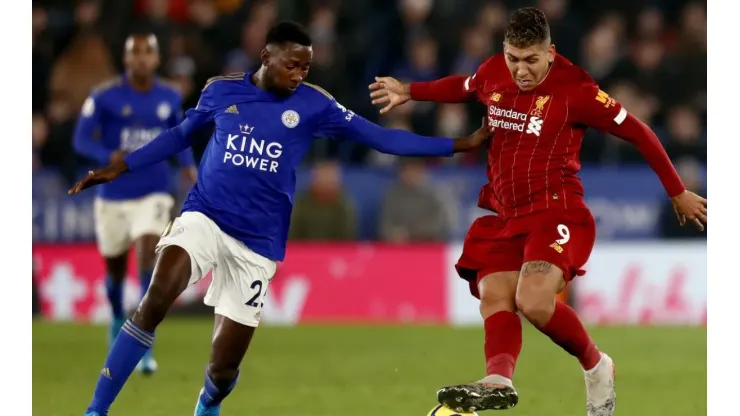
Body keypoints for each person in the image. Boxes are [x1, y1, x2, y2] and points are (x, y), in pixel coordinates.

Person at [69, 22, 490, 416]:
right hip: (205, 216)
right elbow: (180, 136)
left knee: (223, 369)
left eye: (306, 67)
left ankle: (208, 402)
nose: (299, 75)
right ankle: (96, 409)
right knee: (156, 296)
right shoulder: (221, 91)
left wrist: (459, 144)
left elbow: (382, 139)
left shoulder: (315, 104)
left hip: (257, 243)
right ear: (266, 56)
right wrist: (122, 167)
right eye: (292, 65)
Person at [369, 7, 707, 416]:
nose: (520, 70)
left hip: (557, 213)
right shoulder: (494, 71)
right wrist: (410, 90)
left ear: (551, 52)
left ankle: (597, 365)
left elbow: (639, 130)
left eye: (531, 60)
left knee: (532, 300)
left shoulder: (577, 89)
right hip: (507, 214)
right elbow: (463, 86)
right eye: (513, 58)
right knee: (494, 294)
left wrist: (677, 191)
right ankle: (498, 379)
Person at [72, 33, 197, 376]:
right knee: (114, 270)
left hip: (154, 191)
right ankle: (116, 316)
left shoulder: (169, 96)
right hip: (113, 195)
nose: (142, 58)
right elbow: (81, 138)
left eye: (148, 52)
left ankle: (142, 340)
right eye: (135, 53)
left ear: (157, 59)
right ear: (126, 60)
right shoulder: (104, 96)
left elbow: (180, 135)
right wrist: (104, 157)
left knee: (147, 255)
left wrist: (189, 167)